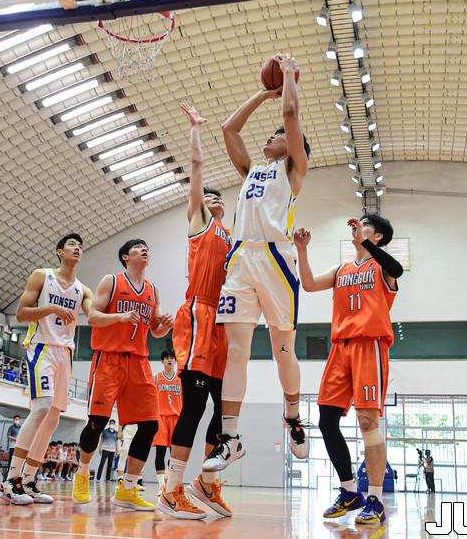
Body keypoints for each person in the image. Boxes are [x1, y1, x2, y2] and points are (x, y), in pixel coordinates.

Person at [204, 53, 311, 474]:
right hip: (241, 259)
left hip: (276, 259)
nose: (271, 135)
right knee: (237, 352)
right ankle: (230, 438)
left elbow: (290, 114)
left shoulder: (293, 170)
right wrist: (263, 93)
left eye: (278, 135)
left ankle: (293, 416)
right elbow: (228, 129)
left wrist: (288, 79)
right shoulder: (251, 171)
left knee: (283, 351)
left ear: (293, 146)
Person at [295, 214, 403, 525]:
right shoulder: (341, 270)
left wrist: (364, 242)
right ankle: (349, 491)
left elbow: (397, 270)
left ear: (377, 236)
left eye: (366, 224)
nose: (359, 227)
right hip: (340, 347)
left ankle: (376, 500)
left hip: (370, 345)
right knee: (326, 420)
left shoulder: (382, 268)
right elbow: (309, 284)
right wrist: (302, 250)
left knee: (368, 421)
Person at [158, 104, 231, 520]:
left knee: (223, 408)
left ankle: (207, 482)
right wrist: (196, 130)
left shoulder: (229, 235)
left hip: (222, 322)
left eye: (220, 197)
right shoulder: (199, 223)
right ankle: (171, 490)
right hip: (199, 316)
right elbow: (198, 168)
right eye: (208, 196)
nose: (214, 198)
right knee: (194, 407)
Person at [71, 238, 174, 509]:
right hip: (109, 359)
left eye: (147, 247)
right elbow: (92, 316)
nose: (145, 249)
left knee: (150, 425)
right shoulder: (112, 281)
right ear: (126, 257)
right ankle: (83, 472)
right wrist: (119, 316)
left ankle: (128, 488)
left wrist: (164, 326)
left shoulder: (152, 290)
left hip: (139, 362)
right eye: (138, 247)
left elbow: (155, 330)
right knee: (98, 421)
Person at [0, 234, 94, 505]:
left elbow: (94, 316)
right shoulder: (42, 276)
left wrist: (121, 317)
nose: (77, 248)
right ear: (59, 251)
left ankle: (29, 481)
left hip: (65, 353)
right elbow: (21, 313)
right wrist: (51, 308)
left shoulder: (83, 290)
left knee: (52, 419)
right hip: (42, 347)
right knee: (41, 408)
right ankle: (10, 481)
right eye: (72, 244)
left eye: (80, 246)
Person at [152, 350, 181, 492]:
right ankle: (161, 486)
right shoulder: (156, 377)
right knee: (160, 452)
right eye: (166, 358)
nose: (169, 360)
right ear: (162, 361)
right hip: (161, 418)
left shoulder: (181, 378)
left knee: (175, 454)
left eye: (172, 358)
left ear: (175, 361)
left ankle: (168, 479)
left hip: (176, 418)